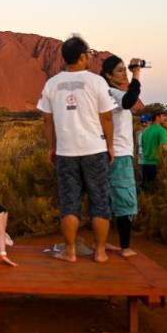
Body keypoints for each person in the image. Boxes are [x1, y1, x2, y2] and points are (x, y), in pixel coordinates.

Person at [37, 35, 115, 263]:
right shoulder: (96, 82)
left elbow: (46, 121)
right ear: (82, 56)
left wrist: (52, 147)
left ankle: (70, 252)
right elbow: (107, 118)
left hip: (65, 152)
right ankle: (100, 252)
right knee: (99, 200)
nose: (90, 56)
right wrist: (109, 145)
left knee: (69, 203)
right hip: (95, 150)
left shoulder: (51, 83)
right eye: (89, 53)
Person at [101, 55, 144, 257]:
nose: (123, 73)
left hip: (111, 153)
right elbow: (129, 101)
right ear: (108, 75)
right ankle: (125, 248)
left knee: (107, 200)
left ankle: (102, 244)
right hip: (119, 154)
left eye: (124, 70)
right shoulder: (113, 92)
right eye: (119, 70)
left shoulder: (107, 93)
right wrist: (136, 75)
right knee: (124, 198)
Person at [140, 111, 167, 190]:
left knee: (145, 188)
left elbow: (142, 147)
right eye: (163, 116)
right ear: (157, 117)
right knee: (155, 189)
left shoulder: (145, 131)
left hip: (144, 163)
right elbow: (165, 148)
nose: (165, 118)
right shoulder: (162, 130)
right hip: (155, 163)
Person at [135, 114, 152, 179]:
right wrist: (135, 154)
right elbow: (136, 144)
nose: (143, 123)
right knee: (141, 172)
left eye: (145, 122)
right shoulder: (138, 133)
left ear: (150, 122)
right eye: (142, 122)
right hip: (140, 155)